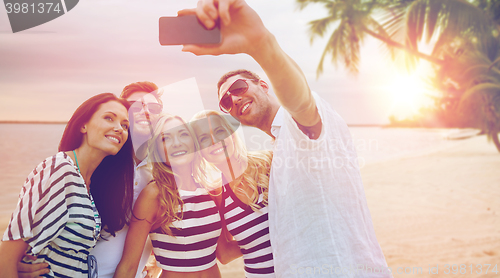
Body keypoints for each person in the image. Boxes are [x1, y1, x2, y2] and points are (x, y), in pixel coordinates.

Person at [181, 1, 391, 277]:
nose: (235, 99)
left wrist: (261, 45)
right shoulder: (278, 151)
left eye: (240, 87)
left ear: (264, 85)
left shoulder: (297, 127)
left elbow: (301, 102)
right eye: (226, 101)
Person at [15, 82, 163, 278]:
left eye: (153, 108)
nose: (145, 111)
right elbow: (28, 225)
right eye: (135, 105)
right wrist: (19, 260)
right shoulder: (97, 159)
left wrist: (156, 260)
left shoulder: (162, 170)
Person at [0, 93, 134, 278]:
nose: (118, 128)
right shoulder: (60, 170)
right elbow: (6, 256)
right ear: (83, 125)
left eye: (125, 125)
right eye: (109, 118)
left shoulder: (86, 182)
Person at [113, 113, 224, 278]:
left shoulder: (210, 190)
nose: (177, 143)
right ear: (158, 150)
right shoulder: (154, 194)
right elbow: (128, 266)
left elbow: (225, 253)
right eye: (166, 139)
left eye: (183, 134)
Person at [191, 110, 275, 277]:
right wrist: (256, 242)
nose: (214, 141)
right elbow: (225, 254)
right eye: (204, 139)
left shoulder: (269, 163)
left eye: (219, 131)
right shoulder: (216, 196)